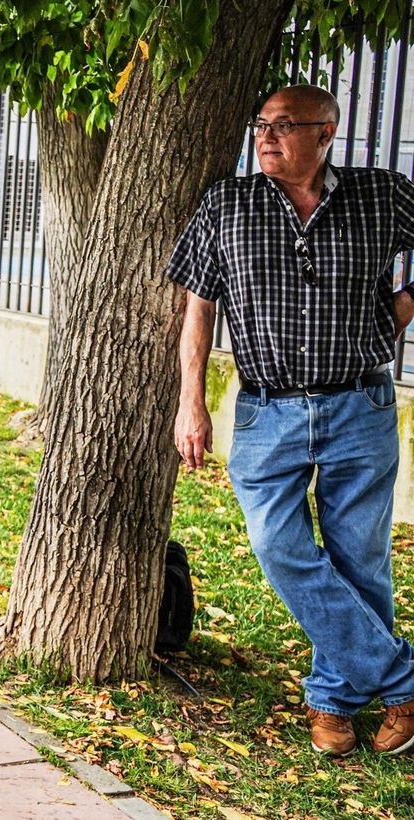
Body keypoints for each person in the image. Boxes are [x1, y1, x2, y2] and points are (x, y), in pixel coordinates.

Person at [170, 84, 414, 758]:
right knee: (278, 547)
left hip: (359, 404)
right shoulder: (228, 203)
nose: (266, 136)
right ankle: (401, 680)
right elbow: (198, 307)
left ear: (325, 133)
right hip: (265, 409)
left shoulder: (382, 194)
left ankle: (332, 703)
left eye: (283, 125)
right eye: (262, 124)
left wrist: (401, 309)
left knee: (359, 558)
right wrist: (191, 400)